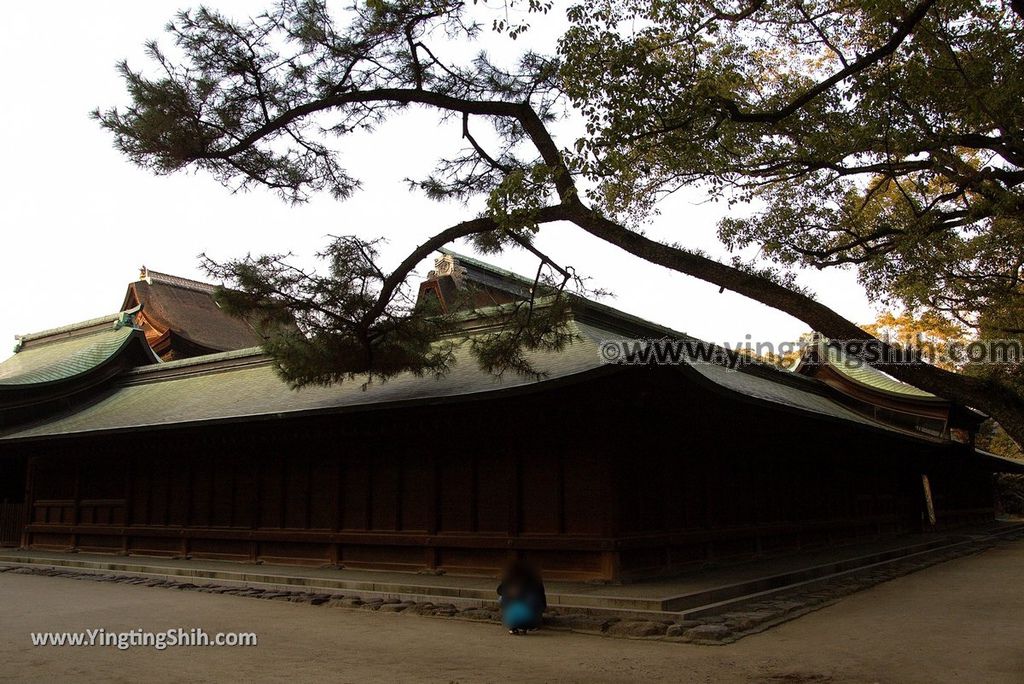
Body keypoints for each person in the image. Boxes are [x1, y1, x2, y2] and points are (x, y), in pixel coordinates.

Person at [497, 559, 547, 635]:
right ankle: (512, 623)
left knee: (532, 600)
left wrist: (519, 592)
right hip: (515, 604)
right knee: (502, 598)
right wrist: (509, 591)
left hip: (528, 603)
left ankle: (530, 623)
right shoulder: (510, 578)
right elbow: (500, 590)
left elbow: (538, 595)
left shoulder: (533, 580)